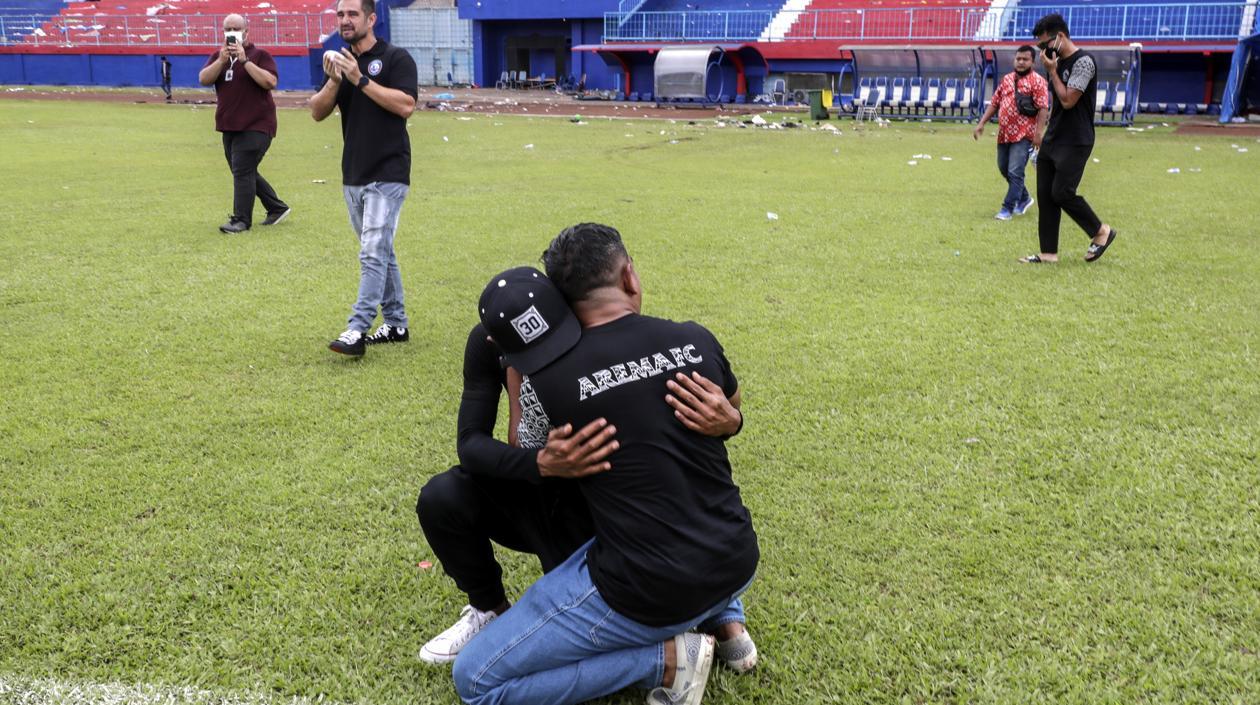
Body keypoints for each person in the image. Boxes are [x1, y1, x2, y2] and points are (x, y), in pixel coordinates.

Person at [453, 224, 759, 705]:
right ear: (630, 277)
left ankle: (666, 659)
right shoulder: (694, 339)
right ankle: (726, 614)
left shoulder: (549, 381)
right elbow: (730, 405)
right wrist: (734, 421)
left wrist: (520, 368)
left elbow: (519, 444)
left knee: (475, 679)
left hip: (648, 590)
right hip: (738, 558)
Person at [309, 0, 418, 357]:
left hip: (388, 171)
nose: (345, 20)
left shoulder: (396, 58)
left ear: (371, 19)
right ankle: (397, 323)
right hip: (353, 172)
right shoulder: (340, 62)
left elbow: (405, 105)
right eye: (340, 15)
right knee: (380, 250)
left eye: (352, 14)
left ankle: (357, 329)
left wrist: (360, 78)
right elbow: (316, 112)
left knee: (372, 252)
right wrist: (335, 80)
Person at [1022, 13, 1119, 264]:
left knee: (1062, 192)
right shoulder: (1055, 62)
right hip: (1054, 138)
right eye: (1039, 46)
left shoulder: (1084, 62)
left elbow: (1067, 100)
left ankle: (1101, 232)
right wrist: (1042, 132)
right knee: (1045, 195)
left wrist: (1052, 72)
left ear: (1060, 36)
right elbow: (1055, 104)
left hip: (1077, 139)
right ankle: (1048, 254)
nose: (1042, 50)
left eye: (1045, 44)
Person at [198, 14, 291, 235]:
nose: (232, 33)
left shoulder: (260, 55)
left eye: (237, 29)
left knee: (242, 170)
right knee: (243, 171)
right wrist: (221, 60)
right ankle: (277, 208)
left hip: (257, 125)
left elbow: (270, 82)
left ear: (246, 31)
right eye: (227, 29)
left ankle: (241, 220)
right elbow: (203, 79)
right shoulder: (218, 57)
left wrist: (245, 61)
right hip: (229, 126)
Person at [973, 45, 1049, 220]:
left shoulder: (1038, 82)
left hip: (1024, 135)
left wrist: (1038, 134)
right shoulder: (1007, 79)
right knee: (1003, 168)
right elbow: (995, 102)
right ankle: (1024, 198)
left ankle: (1007, 208)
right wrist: (982, 123)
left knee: (1015, 171)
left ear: (1033, 62)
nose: (1021, 62)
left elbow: (1043, 108)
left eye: (1025, 59)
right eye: (1018, 59)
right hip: (1005, 133)